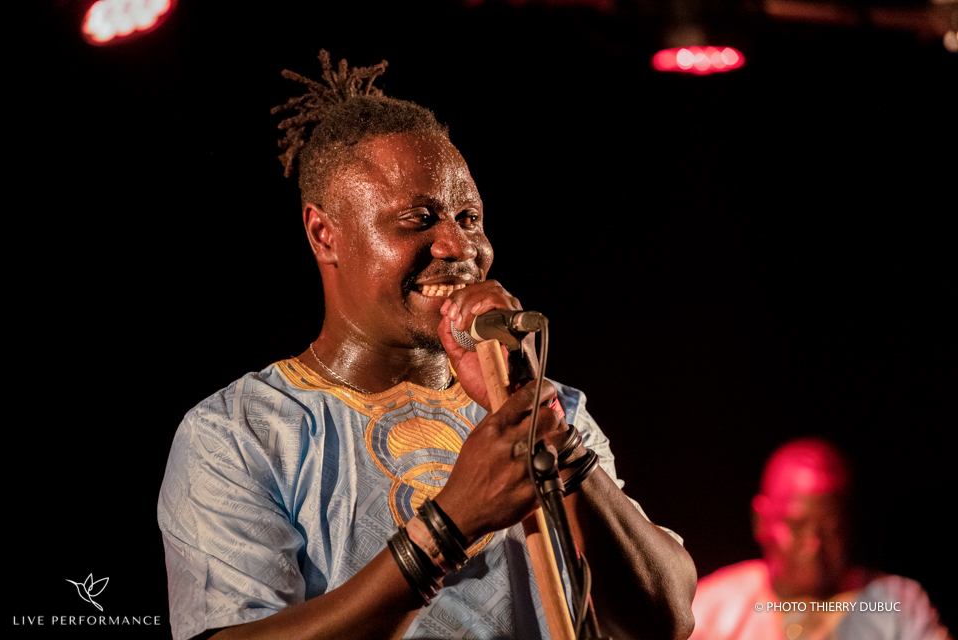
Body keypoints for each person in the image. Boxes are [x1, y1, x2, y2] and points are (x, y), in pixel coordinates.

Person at [157, 51, 696, 640]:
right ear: (324, 233)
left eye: (469, 218)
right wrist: (449, 525)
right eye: (418, 219)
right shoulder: (238, 433)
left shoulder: (545, 407)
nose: (458, 246)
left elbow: (665, 619)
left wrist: (546, 432)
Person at [691, 438, 950, 640]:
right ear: (761, 521)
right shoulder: (707, 611)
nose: (814, 544)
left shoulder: (897, 603)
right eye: (797, 526)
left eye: (831, 529)